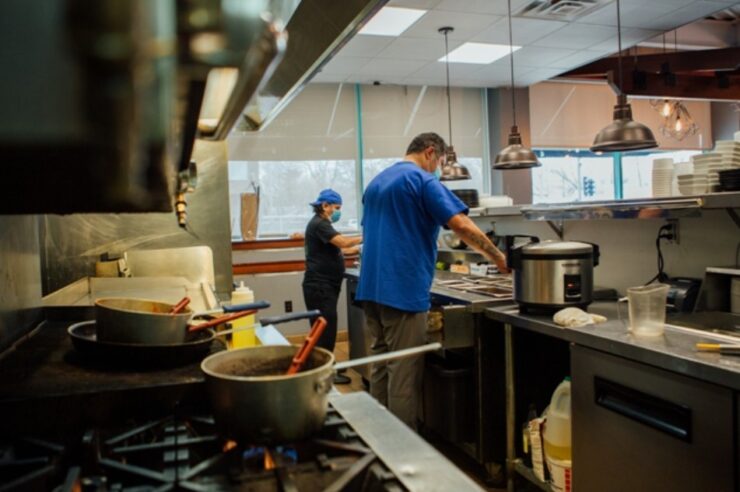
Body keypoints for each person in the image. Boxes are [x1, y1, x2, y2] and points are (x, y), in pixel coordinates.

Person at [356, 132, 508, 429]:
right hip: (401, 290)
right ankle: (403, 454)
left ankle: (377, 439)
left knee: (381, 368)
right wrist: (498, 256)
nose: (439, 168)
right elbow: (460, 225)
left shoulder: (377, 182)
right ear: (430, 153)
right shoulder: (422, 181)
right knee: (403, 375)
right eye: (439, 161)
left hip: (371, 288)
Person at [302, 189, 363, 384]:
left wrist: (362, 248)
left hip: (324, 286)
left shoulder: (322, 225)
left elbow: (341, 250)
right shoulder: (320, 224)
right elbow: (343, 242)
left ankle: (325, 364)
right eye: (336, 208)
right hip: (320, 286)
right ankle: (325, 374)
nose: (338, 212)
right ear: (325, 205)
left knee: (323, 329)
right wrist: (367, 235)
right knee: (325, 331)